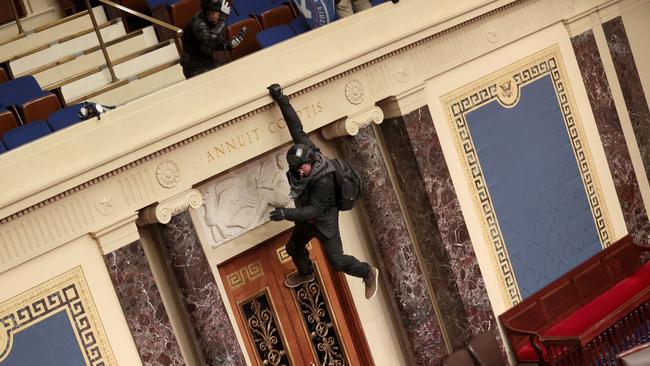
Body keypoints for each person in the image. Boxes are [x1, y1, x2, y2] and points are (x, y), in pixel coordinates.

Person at [266, 83, 379, 299]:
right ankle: (306, 273)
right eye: (296, 169)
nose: (299, 173)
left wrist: (286, 214)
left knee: (336, 261)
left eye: (302, 168)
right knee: (293, 248)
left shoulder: (323, 179)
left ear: (311, 161)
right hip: (306, 221)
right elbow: (296, 128)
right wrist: (281, 99)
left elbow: (314, 210)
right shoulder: (307, 150)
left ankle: (367, 272)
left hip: (323, 221)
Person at [180, 0, 248, 78]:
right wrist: (223, 20)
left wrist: (228, 45)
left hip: (207, 60)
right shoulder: (198, 24)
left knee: (230, 74)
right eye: (219, 13)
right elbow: (211, 41)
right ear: (210, 13)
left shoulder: (213, 21)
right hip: (193, 67)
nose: (221, 16)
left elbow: (215, 43)